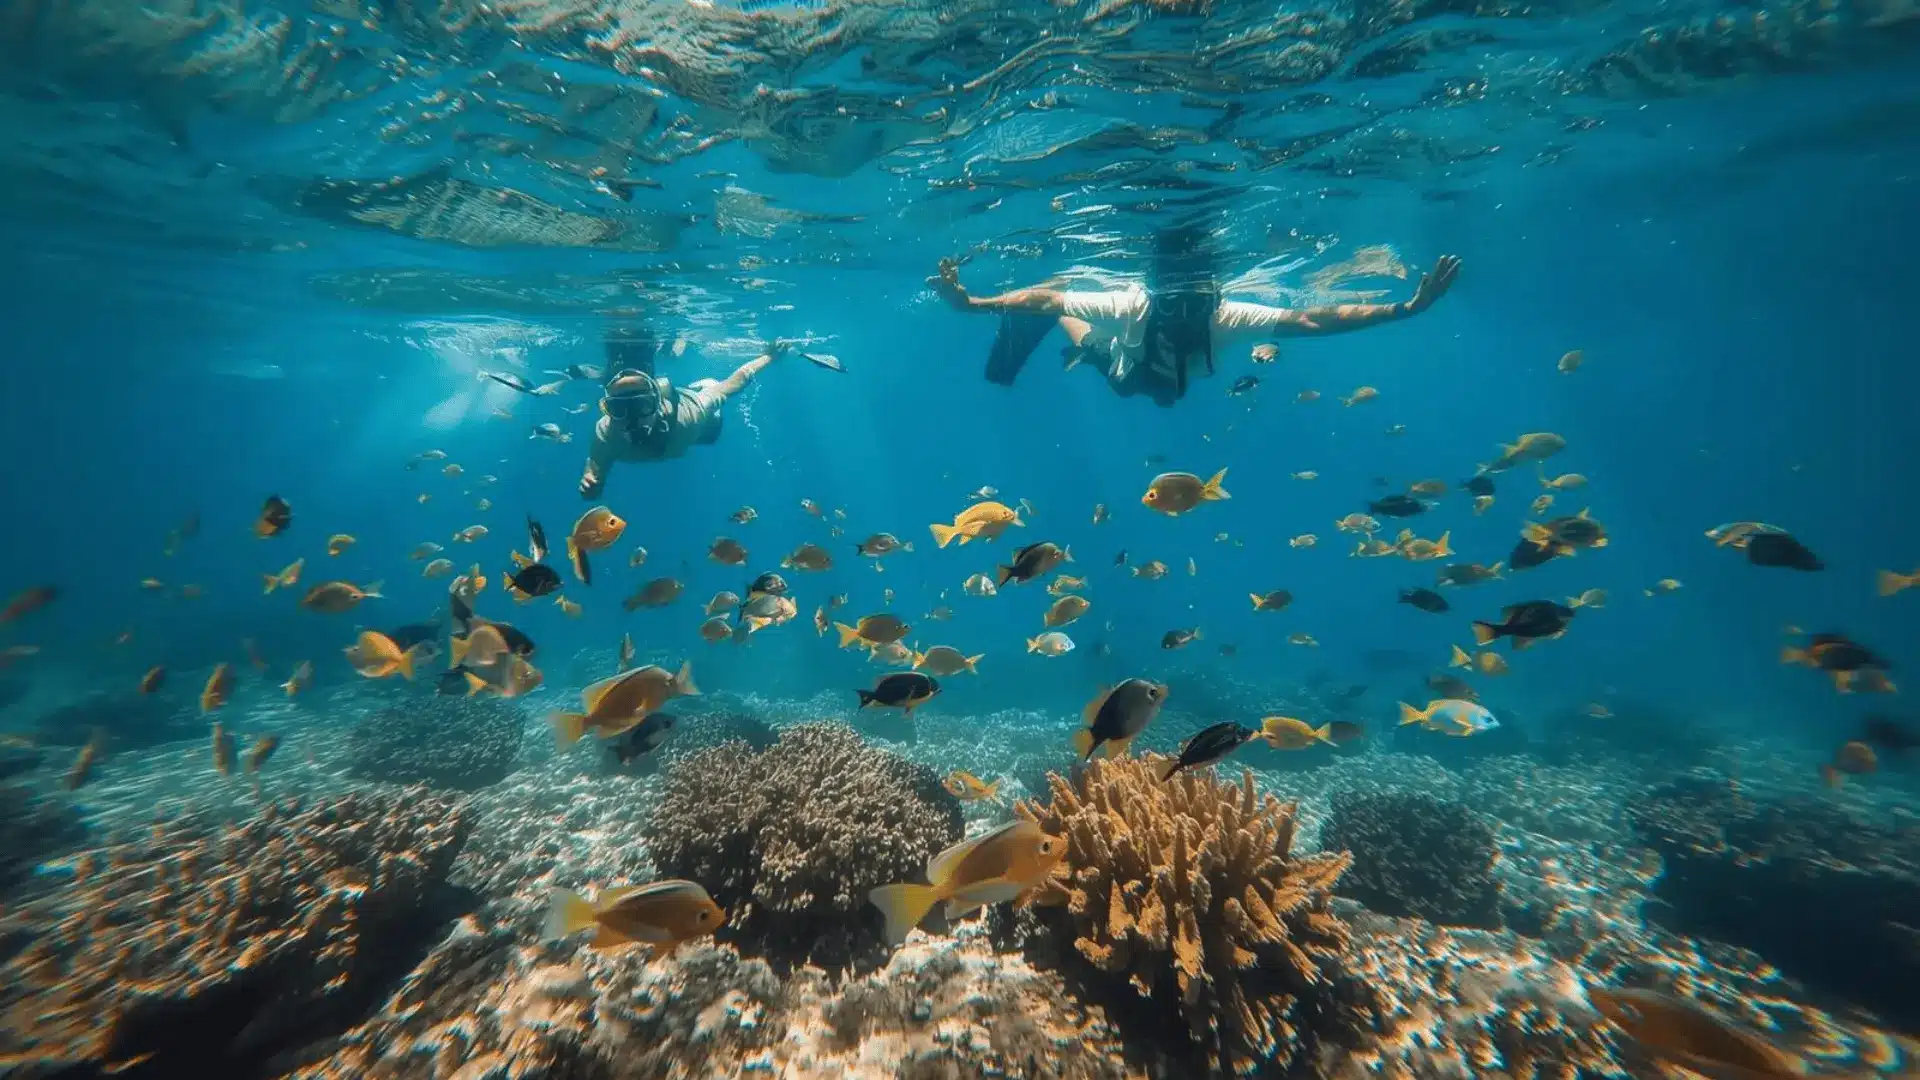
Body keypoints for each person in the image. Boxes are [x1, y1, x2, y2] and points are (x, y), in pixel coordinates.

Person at [932, 241, 1462, 407]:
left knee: (1160, 390)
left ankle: (1086, 339)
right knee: (1091, 343)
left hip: (1172, 382)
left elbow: (1312, 318)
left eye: (1197, 298)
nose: (1189, 306)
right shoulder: (1153, 306)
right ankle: (1086, 347)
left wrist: (1406, 310)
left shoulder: (1204, 311)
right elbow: (1049, 299)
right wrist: (974, 304)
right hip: (1127, 372)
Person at [577, 329, 786, 498]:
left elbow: (731, 384)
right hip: (680, 437)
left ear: (657, 403)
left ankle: (695, 379)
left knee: (712, 423)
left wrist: (769, 356)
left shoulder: (689, 415)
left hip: (696, 415)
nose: (633, 418)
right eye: (618, 409)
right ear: (608, 410)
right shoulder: (605, 434)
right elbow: (595, 466)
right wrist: (591, 479)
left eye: (641, 406)